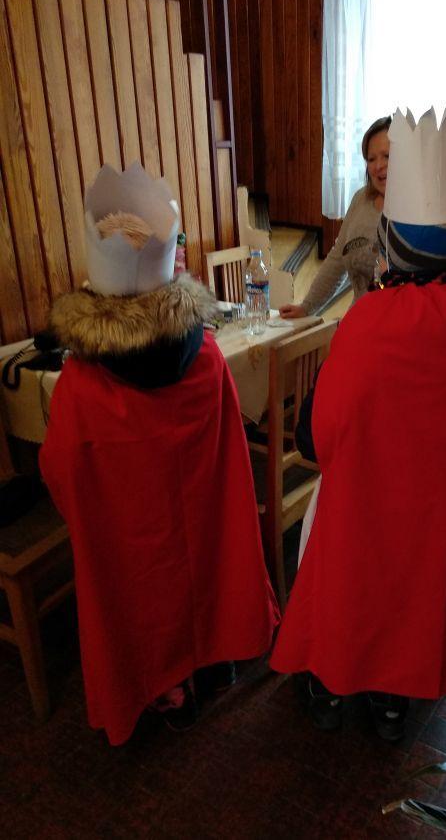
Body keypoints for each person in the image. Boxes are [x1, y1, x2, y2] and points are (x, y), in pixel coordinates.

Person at [271, 108, 446, 740]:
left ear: (391, 242)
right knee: (414, 592)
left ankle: (331, 682)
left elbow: (326, 429)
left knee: (349, 581)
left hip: (368, 490)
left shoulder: (369, 320)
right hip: (434, 500)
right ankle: (394, 700)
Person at [39, 163, 279, 745]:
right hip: (202, 517)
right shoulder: (206, 357)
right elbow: (233, 451)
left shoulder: (82, 384)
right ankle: (215, 657)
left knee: (140, 593)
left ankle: (167, 686)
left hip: (133, 544)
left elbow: (61, 472)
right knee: (208, 560)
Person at [279, 116, 390, 318]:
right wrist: (307, 307)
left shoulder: (414, 213)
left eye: (387, 156)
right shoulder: (360, 199)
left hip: (394, 325)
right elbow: (338, 257)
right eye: (371, 159)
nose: (378, 166)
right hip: (358, 320)